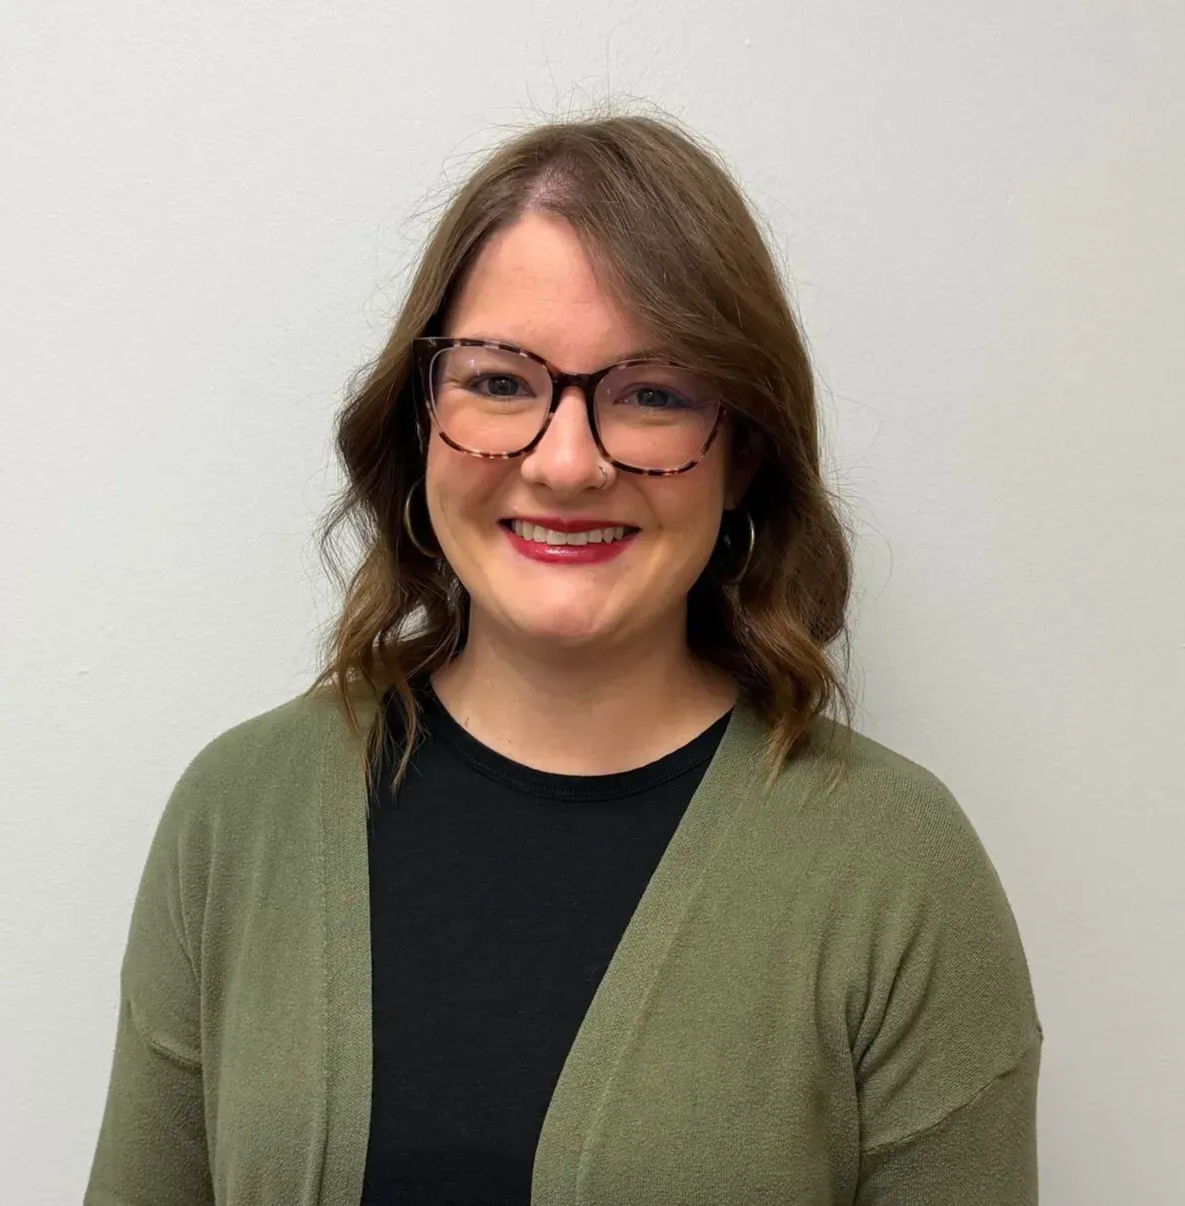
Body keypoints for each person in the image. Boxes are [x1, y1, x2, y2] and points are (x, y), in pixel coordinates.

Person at [86, 112, 1041, 1206]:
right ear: (420, 416)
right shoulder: (238, 814)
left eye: (653, 394)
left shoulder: (894, 867)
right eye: (500, 383)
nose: (568, 463)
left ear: (742, 454)